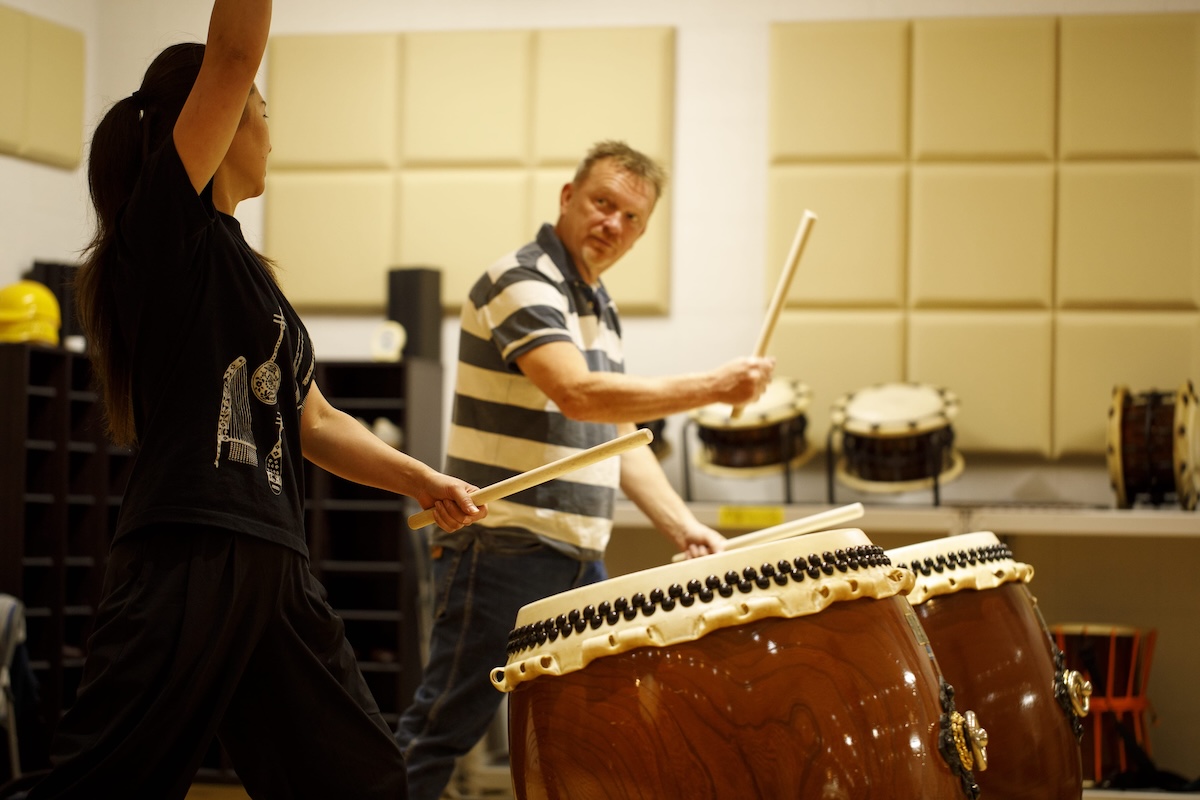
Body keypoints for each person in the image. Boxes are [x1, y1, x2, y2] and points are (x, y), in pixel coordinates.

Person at [18, 2, 486, 798]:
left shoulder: (253, 277)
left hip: (275, 562)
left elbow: (316, 420)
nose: (270, 130)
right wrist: (234, 72)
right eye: (260, 112)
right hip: (187, 554)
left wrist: (422, 479)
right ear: (223, 117)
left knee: (363, 781)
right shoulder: (165, 235)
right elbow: (232, 52)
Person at [394, 140, 775, 799]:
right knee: (444, 725)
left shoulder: (598, 306)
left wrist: (683, 528)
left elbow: (616, 436)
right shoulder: (521, 280)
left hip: (575, 554)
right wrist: (712, 386)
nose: (614, 226)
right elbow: (576, 393)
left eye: (632, 219)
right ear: (568, 198)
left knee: (577, 736)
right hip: (502, 542)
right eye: (603, 204)